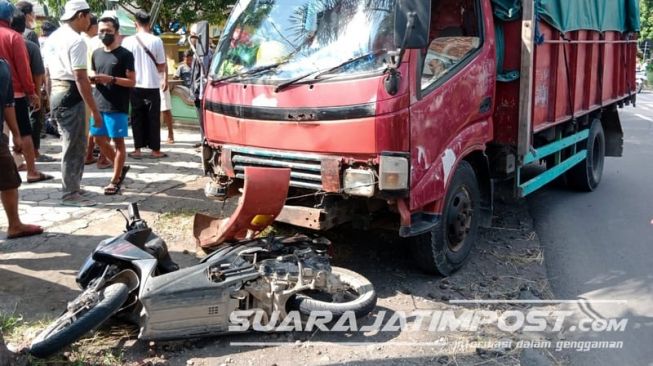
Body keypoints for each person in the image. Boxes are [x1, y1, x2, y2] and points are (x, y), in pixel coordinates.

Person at [42, 0, 102, 207]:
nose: (89, 21)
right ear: (80, 16)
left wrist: (50, 100)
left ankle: (72, 186)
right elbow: (80, 78)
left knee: (72, 143)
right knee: (74, 145)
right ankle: (70, 193)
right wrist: (95, 110)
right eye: (88, 16)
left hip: (57, 94)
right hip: (71, 94)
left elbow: (48, 74)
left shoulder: (54, 37)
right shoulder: (76, 40)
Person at [0, 0, 52, 184]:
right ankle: (31, 171)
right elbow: (23, 69)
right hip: (15, 95)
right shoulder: (14, 37)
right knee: (25, 133)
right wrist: (33, 93)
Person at [90, 13, 133, 195]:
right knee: (98, 139)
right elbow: (95, 73)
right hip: (98, 103)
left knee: (118, 142)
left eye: (108, 31)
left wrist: (112, 79)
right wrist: (94, 79)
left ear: (116, 32)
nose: (104, 34)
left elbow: (132, 81)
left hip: (117, 106)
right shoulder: (96, 53)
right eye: (101, 31)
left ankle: (115, 180)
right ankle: (119, 166)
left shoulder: (125, 55)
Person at [0, 58, 43, 239]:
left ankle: (15, 225)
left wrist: (16, 134)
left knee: (9, 180)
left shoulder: (3, 66)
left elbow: (8, 104)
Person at [122, 10, 167, 159]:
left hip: (134, 85)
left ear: (136, 23)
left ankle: (137, 149)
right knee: (153, 118)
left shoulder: (127, 41)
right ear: (149, 23)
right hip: (152, 84)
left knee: (136, 117)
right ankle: (155, 150)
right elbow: (161, 65)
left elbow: (125, 66)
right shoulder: (156, 41)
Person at [11, 10, 51, 162]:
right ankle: (31, 163)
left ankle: (17, 160)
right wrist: (35, 93)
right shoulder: (28, 43)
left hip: (9, 94)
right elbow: (37, 72)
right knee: (27, 127)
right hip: (23, 93)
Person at [189, 23, 213, 147]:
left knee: (203, 118)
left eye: (192, 35)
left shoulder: (204, 53)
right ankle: (203, 138)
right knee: (200, 118)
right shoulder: (198, 52)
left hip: (202, 91)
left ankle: (206, 140)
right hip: (198, 90)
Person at [160, 64, 174, 144]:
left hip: (160, 80)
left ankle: (170, 133)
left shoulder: (161, 50)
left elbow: (165, 64)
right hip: (148, 81)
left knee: (165, 108)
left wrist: (165, 80)